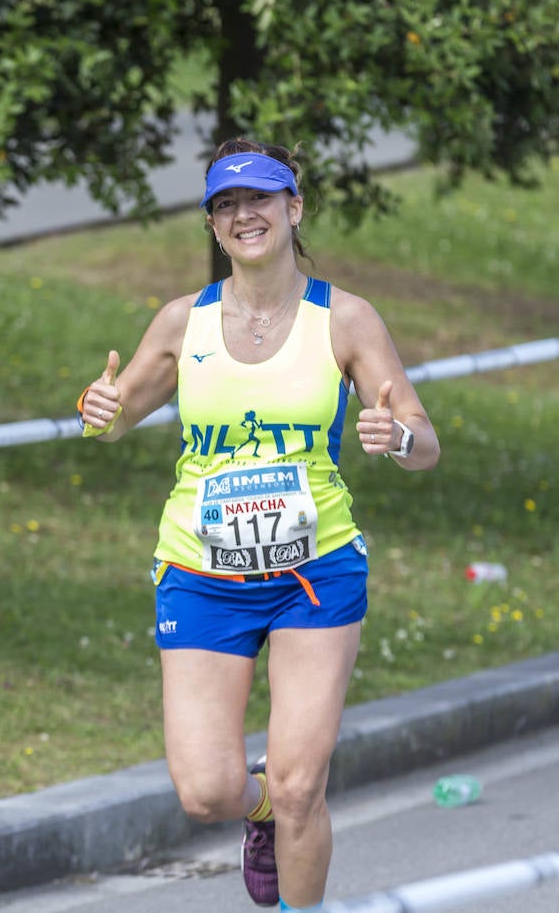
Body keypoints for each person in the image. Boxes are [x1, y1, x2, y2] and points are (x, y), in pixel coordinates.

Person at [76, 138, 439, 911]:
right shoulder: (183, 323)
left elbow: (420, 436)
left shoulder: (345, 319)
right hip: (203, 572)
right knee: (207, 790)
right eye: (226, 205)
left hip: (316, 571)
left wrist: (399, 437)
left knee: (303, 782)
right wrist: (99, 409)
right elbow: (116, 411)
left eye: (260, 199)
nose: (245, 216)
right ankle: (260, 814)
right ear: (213, 225)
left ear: (293, 208)